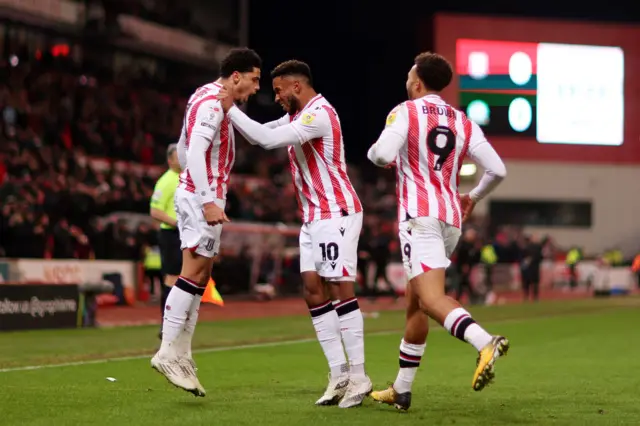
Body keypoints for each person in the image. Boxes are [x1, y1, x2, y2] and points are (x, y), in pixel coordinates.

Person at [216, 60, 371, 408]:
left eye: (279, 90)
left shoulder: (319, 114)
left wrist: (229, 107)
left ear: (296, 86)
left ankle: (360, 377)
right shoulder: (295, 117)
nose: (277, 97)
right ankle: (339, 374)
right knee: (313, 291)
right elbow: (256, 133)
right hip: (313, 217)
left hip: (337, 212)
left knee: (338, 288)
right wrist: (222, 115)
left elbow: (265, 139)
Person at [366, 52, 509, 411]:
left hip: (420, 217)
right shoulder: (463, 121)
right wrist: (472, 197)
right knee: (416, 305)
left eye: (408, 74)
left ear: (417, 82)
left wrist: (372, 153)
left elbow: (382, 155)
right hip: (451, 218)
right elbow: (498, 170)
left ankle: (485, 342)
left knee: (430, 299)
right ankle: (401, 389)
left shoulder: (406, 111)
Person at [151, 48, 262, 397]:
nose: (256, 88)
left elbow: (184, 149)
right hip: (203, 198)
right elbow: (195, 152)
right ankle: (167, 350)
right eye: (254, 79)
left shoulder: (203, 95)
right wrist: (207, 200)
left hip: (201, 194)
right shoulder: (213, 104)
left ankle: (182, 352)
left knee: (201, 274)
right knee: (192, 271)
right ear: (235, 77)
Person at [150, 143, 182, 338]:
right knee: (172, 278)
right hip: (171, 234)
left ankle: (177, 321)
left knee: (183, 279)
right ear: (170, 160)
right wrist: (177, 223)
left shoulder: (184, 178)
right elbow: (155, 211)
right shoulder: (166, 181)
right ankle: (166, 323)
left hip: (183, 235)